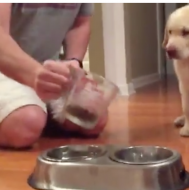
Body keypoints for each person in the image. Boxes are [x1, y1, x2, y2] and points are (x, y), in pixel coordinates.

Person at [0, 3, 108, 148]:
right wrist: (34, 73)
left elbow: (80, 24)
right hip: (6, 69)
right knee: (27, 122)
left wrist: (73, 63)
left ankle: (37, 115)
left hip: (46, 68)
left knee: (94, 119)